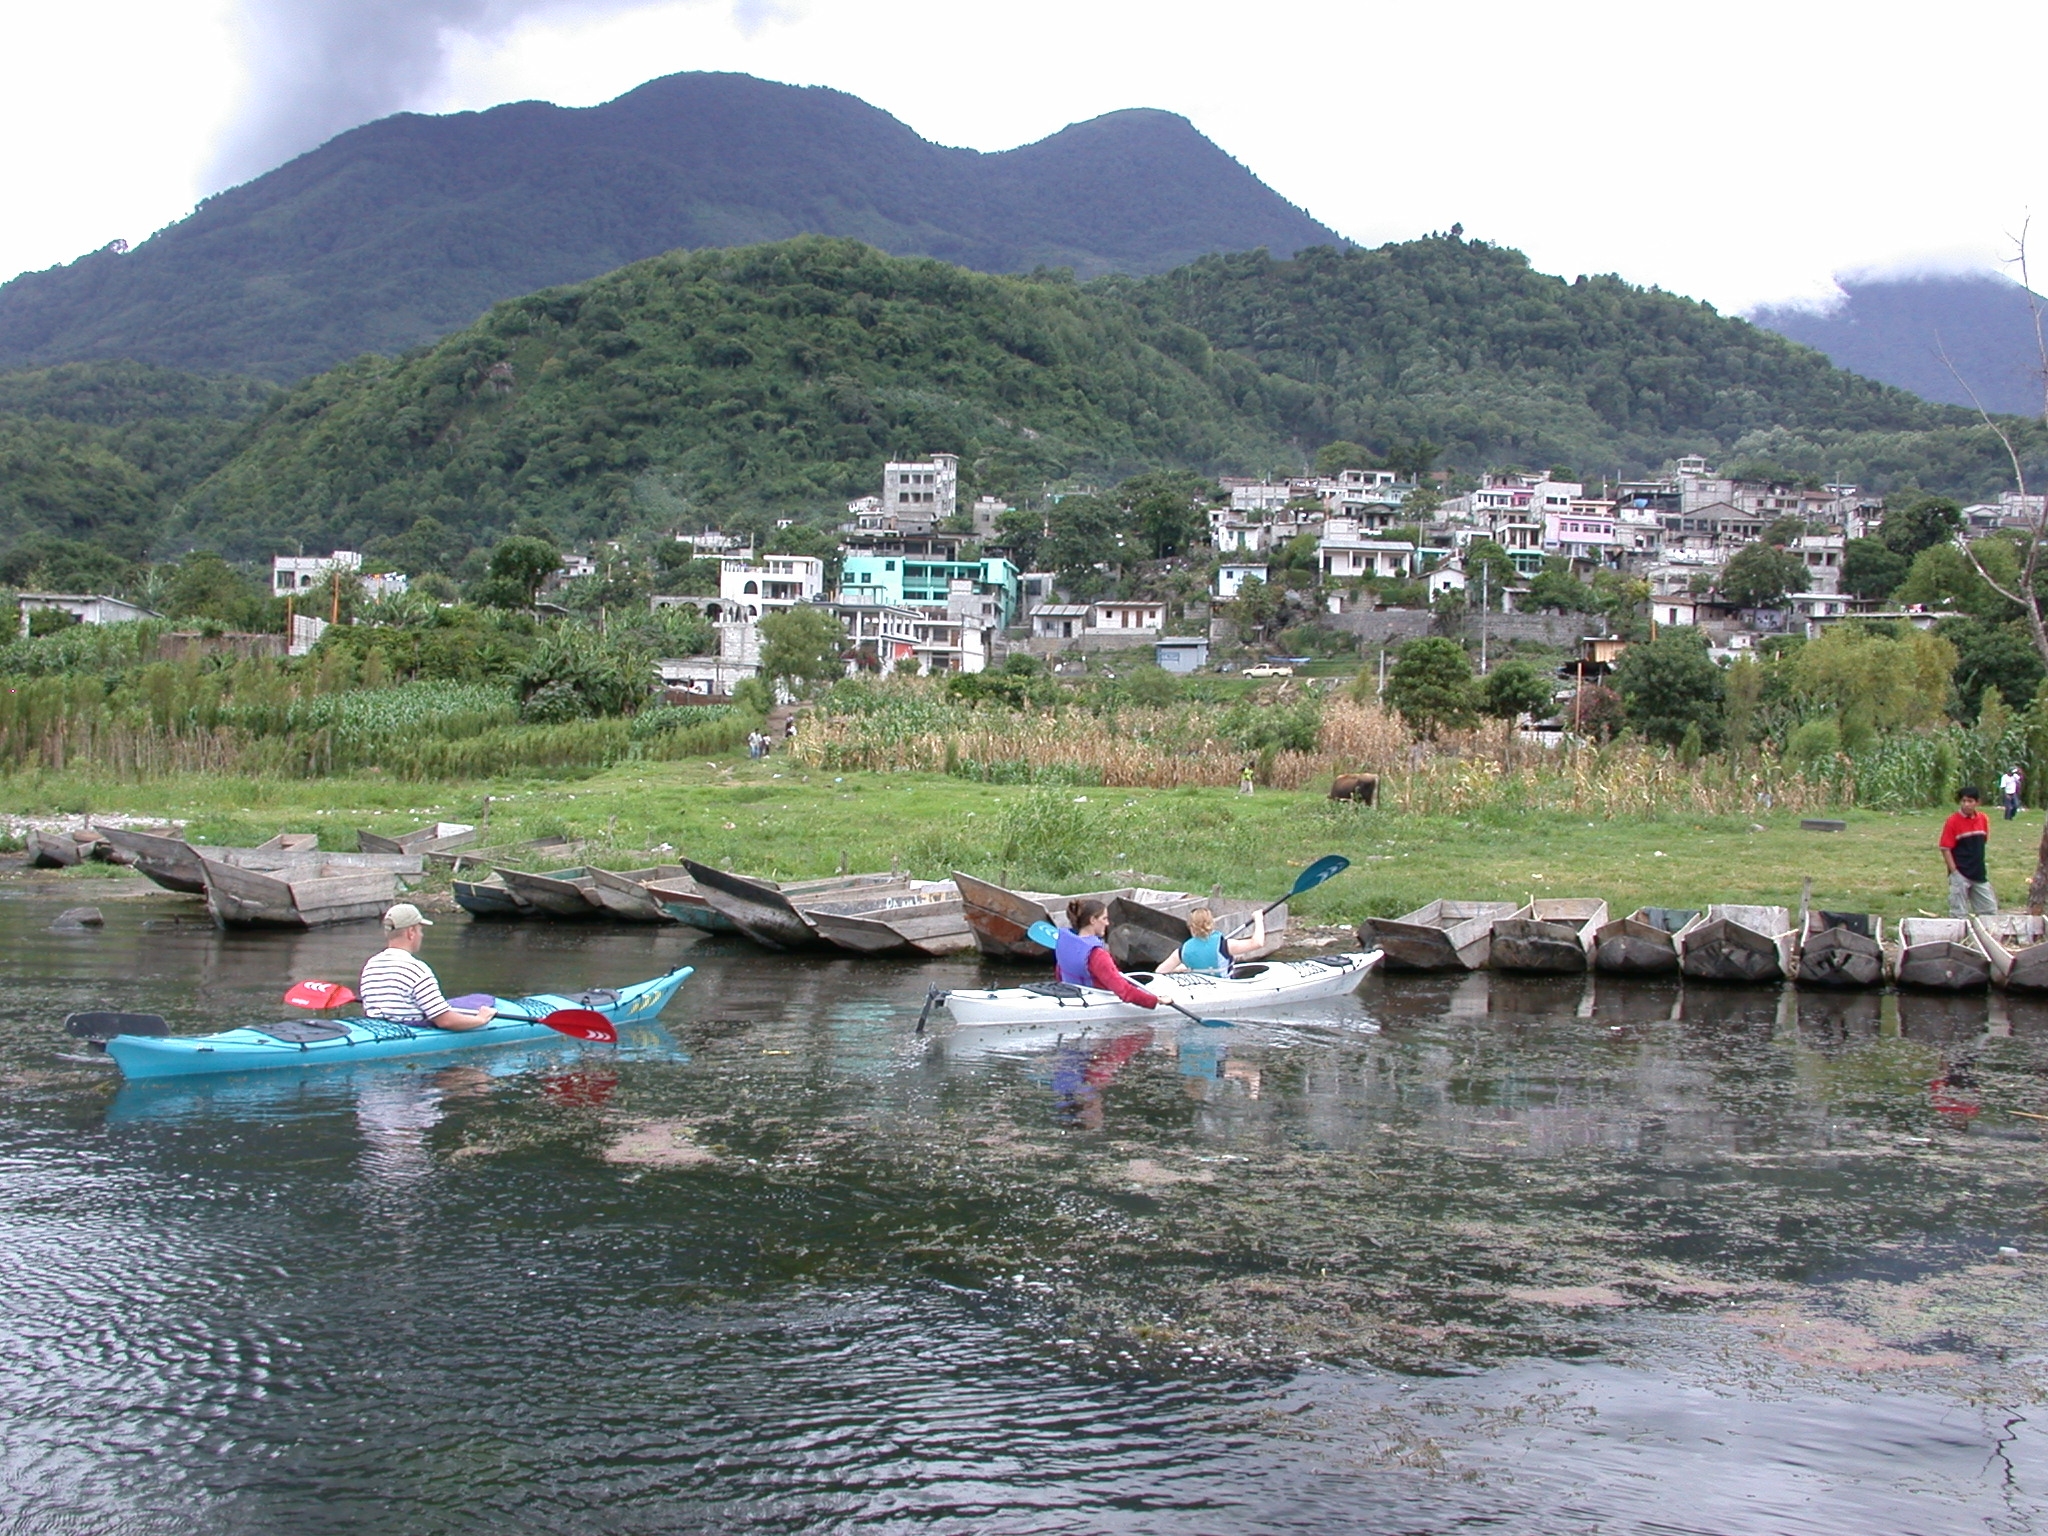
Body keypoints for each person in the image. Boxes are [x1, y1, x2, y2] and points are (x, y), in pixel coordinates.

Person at [359, 904, 498, 1031]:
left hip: (379, 1028)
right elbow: (445, 1021)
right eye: (420, 930)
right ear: (411, 932)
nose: (422, 935)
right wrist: (481, 1019)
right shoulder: (416, 969)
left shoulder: (371, 965)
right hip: (408, 1033)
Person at [1054, 897, 1159, 1009]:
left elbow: (1059, 975)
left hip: (1072, 994)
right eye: (1104, 918)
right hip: (1094, 1000)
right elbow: (1125, 992)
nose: (1108, 923)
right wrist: (1156, 1000)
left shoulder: (1066, 943)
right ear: (1093, 920)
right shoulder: (1097, 954)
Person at [1157, 906, 1266, 977]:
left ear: (1190, 926)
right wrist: (1258, 919)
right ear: (1211, 923)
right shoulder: (1225, 945)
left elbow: (1159, 972)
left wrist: (1179, 969)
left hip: (1198, 989)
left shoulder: (1181, 952)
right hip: (1225, 988)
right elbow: (1258, 943)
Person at [1940, 787, 1997, 916]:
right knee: (1958, 913)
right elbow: (1945, 848)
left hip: (1978, 872)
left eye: (1970, 801)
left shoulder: (1982, 819)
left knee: (1989, 910)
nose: (1966, 804)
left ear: (1977, 802)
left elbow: (1983, 841)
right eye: (1963, 801)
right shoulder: (1952, 821)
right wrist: (1954, 872)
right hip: (1960, 872)